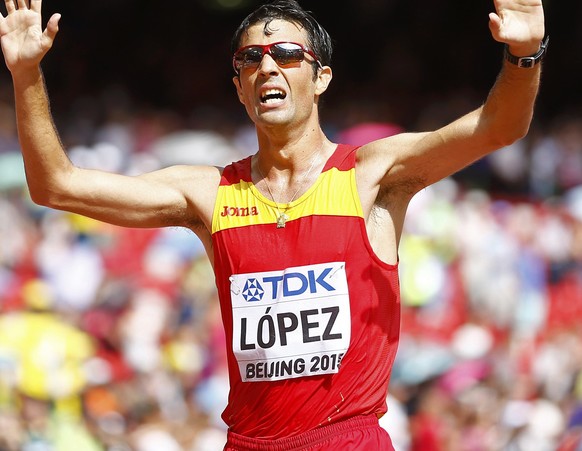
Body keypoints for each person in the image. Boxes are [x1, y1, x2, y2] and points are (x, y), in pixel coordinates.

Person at [0, 0, 546, 449]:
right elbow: (56, 186)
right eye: (250, 59)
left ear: (321, 76)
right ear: (239, 87)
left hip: (346, 441)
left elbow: (499, 128)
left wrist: (523, 54)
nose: (267, 67)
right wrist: (26, 75)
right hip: (249, 442)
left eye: (287, 53)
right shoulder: (209, 193)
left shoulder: (369, 176)